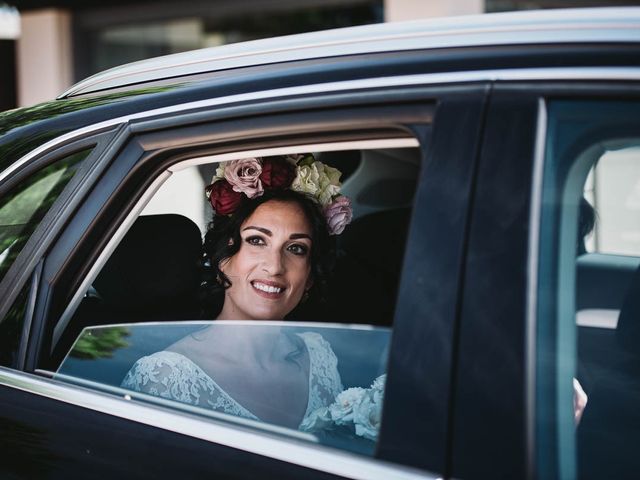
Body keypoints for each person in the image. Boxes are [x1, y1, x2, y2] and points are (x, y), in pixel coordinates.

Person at [122, 154, 354, 431]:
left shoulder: (319, 353)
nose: (275, 266)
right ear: (223, 257)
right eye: (257, 241)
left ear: (310, 277)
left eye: (296, 248)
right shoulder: (162, 378)